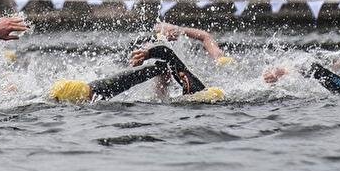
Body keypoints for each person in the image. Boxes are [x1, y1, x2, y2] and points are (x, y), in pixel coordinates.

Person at [49, 43, 224, 103]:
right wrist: (148, 54)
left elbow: (168, 56)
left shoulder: (194, 90)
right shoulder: (194, 90)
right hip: (93, 89)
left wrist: (148, 54)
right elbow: (168, 54)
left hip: (86, 89)